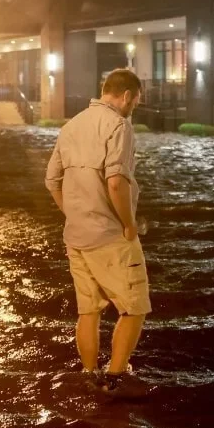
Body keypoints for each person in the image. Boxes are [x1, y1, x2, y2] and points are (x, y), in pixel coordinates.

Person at [45, 68, 149, 393]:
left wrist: (73, 213)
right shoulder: (119, 126)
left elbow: (51, 181)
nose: (134, 108)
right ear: (127, 96)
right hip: (109, 237)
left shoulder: (71, 125)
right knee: (134, 307)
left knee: (88, 311)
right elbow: (116, 182)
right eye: (136, 102)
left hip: (76, 236)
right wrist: (129, 225)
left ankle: (89, 375)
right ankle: (116, 378)